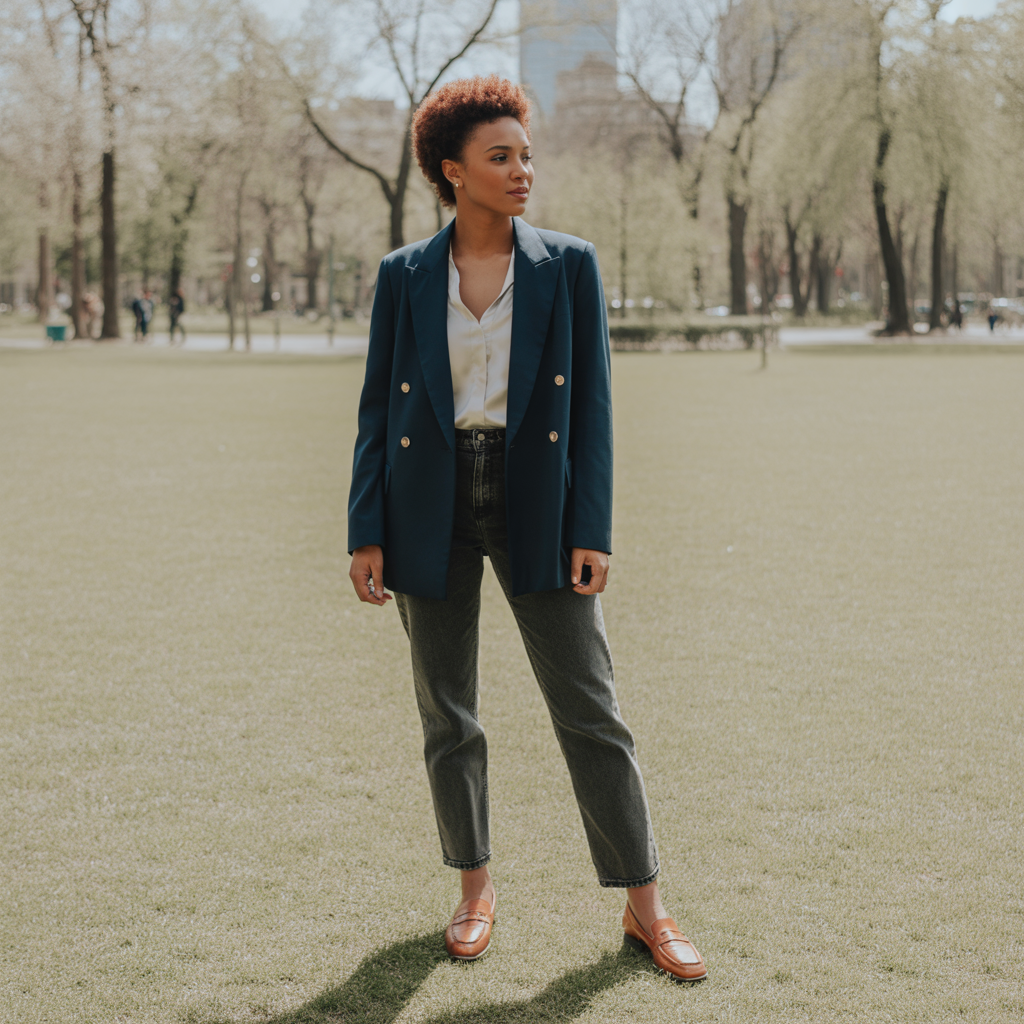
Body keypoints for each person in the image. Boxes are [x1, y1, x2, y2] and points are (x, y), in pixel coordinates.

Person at [346, 76, 706, 983]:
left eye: (526, 155)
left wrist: (594, 528)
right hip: (424, 501)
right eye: (500, 157)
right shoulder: (405, 276)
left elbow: (594, 410)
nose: (522, 171)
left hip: (537, 497)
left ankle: (645, 907)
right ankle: (473, 890)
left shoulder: (568, 266)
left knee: (592, 709)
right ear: (451, 171)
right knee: (448, 712)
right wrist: (365, 530)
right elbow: (372, 414)